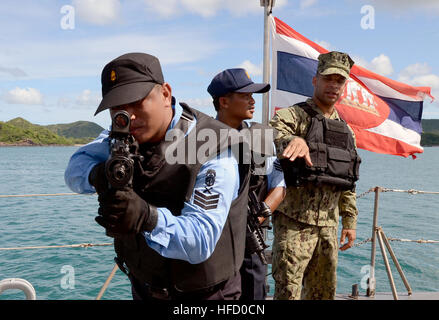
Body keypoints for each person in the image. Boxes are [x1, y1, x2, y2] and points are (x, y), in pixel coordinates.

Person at [64, 53, 251, 300]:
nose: (128, 116)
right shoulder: (121, 135)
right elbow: (74, 170)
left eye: (136, 101)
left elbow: (201, 240)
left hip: (205, 295)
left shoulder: (214, 146)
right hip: (144, 286)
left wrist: (147, 217)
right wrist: (100, 175)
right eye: (117, 108)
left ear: (165, 94)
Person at [269, 51, 361, 300]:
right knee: (288, 293)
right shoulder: (294, 116)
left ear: (344, 86)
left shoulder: (347, 131)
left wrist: (349, 221)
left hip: (329, 227)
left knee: (324, 293)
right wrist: (292, 140)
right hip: (294, 225)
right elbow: (271, 134)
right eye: (328, 78)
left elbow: (347, 181)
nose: (333, 85)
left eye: (339, 81)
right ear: (315, 80)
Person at [207, 68, 286, 300]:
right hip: (212, 242)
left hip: (251, 239)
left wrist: (261, 214)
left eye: (254, 95)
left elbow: (279, 185)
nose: (253, 101)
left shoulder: (262, 138)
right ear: (223, 101)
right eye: (245, 95)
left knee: (254, 294)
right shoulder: (198, 138)